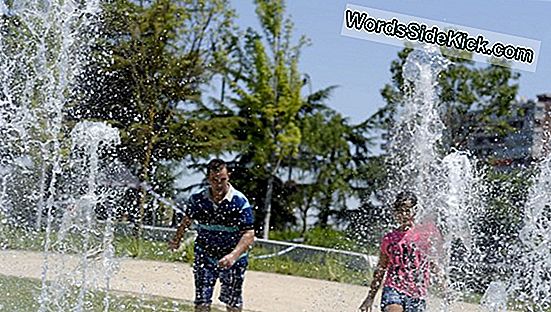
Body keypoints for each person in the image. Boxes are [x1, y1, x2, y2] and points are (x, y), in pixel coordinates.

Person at [169, 159, 255, 312]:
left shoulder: (240, 202)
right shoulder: (197, 200)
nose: (219, 184)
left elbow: (249, 234)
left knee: (232, 303)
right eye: (214, 180)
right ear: (208, 178)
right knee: (202, 302)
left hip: (233, 259)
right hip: (205, 255)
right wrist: (176, 240)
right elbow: (186, 222)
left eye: (222, 179)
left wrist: (233, 256)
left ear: (228, 176)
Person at [359, 191, 443, 312]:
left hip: (417, 293)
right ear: (395, 212)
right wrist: (370, 297)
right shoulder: (389, 239)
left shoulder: (424, 236)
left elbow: (432, 263)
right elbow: (381, 269)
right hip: (393, 288)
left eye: (407, 211)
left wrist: (443, 284)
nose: (403, 215)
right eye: (400, 211)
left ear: (415, 211)